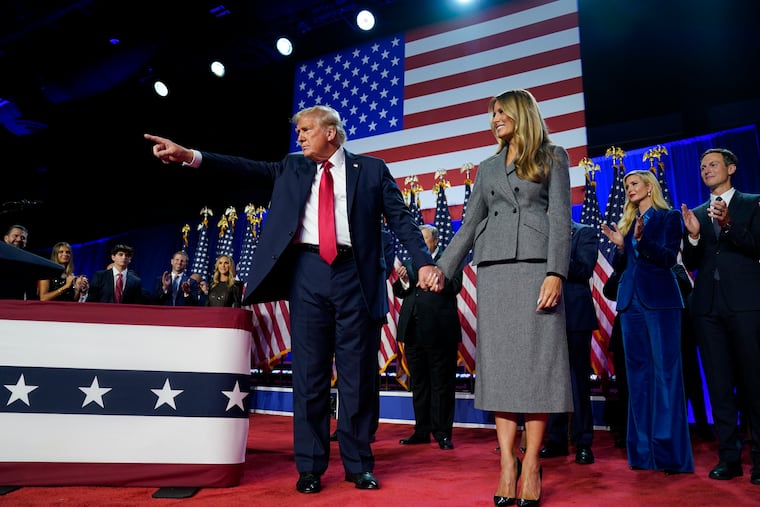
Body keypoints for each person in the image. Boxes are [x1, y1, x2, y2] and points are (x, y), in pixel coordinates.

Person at [145, 104, 438, 494]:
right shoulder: (292, 167)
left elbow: (402, 220)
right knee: (310, 377)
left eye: (305, 130)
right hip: (307, 275)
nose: (299, 137)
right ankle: (311, 466)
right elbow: (243, 167)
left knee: (358, 379)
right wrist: (190, 156)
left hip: (358, 278)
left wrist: (423, 263)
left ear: (330, 132)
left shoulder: (371, 170)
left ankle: (358, 464)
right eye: (298, 132)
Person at [433, 89, 572, 506]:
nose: (494, 119)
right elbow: (470, 221)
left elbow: (562, 218)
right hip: (494, 270)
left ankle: (531, 464)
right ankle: (507, 464)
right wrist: (442, 268)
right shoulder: (488, 167)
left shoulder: (552, 155)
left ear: (521, 113)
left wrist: (555, 272)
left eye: (501, 112)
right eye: (492, 114)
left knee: (536, 366)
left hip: (534, 269)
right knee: (502, 368)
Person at [601, 169, 693, 475]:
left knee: (666, 374)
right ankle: (642, 452)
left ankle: (669, 454)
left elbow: (668, 258)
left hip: (661, 301)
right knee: (637, 377)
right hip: (630, 304)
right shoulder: (627, 223)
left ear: (650, 187)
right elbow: (622, 268)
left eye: (634, 184)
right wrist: (621, 246)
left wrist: (641, 242)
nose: (629, 189)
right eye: (626, 185)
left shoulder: (668, 218)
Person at [680, 148, 760, 485]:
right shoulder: (697, 212)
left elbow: (756, 246)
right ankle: (729, 457)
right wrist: (695, 236)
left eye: (712, 165)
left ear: (731, 168)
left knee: (754, 383)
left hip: (745, 306)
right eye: (701, 167)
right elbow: (695, 263)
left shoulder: (752, 203)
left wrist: (727, 226)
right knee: (719, 385)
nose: (705, 170)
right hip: (707, 310)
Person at [393, 224, 463, 450]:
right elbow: (402, 291)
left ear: (435, 240)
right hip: (413, 332)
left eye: (424, 240)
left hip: (440, 332)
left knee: (441, 384)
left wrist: (434, 278)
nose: (421, 244)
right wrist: (404, 279)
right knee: (420, 383)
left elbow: (454, 285)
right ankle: (421, 430)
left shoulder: (448, 259)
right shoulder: (414, 260)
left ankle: (442, 432)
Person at [540, 220, 598, 465]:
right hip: (547, 316)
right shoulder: (539, 234)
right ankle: (556, 440)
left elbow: (583, 270)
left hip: (575, 316)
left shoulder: (584, 232)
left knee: (577, 382)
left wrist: (555, 250)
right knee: (552, 380)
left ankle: (583, 442)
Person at [85, 244, 150, 304]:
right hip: (103, 314)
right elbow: (91, 300)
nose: (124, 257)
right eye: (120, 254)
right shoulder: (100, 276)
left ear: (130, 259)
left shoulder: (135, 281)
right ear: (113, 257)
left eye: (127, 255)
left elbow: (136, 304)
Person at [2, 224, 38, 299]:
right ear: (6, 238)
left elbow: (30, 292)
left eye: (23, 238)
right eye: (15, 236)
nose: (19, 239)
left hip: (17, 306)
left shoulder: (30, 263)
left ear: (26, 242)